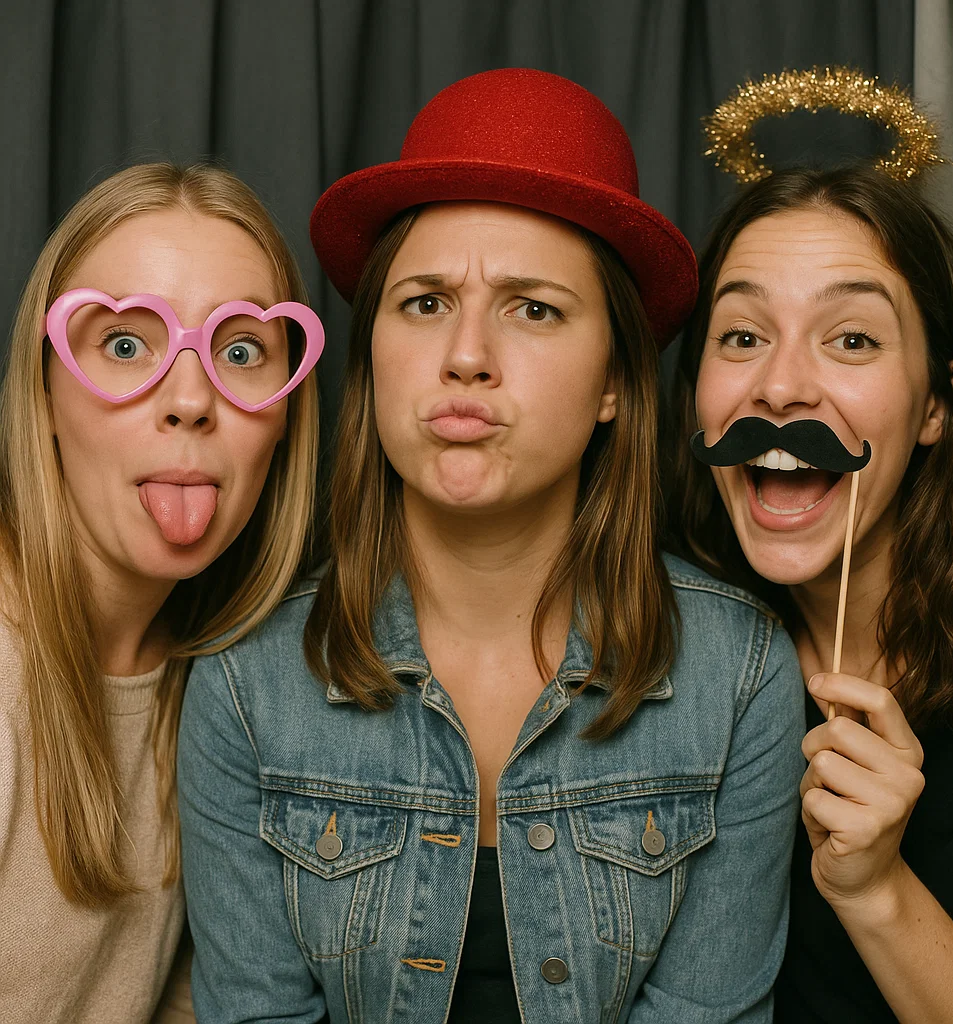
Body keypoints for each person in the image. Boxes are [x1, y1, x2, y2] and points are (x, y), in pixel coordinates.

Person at [178, 68, 806, 1023]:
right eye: (425, 302)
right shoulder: (242, 682)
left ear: (614, 384)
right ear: (374, 353)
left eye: (534, 308)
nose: (466, 353)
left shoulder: (744, 675)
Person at [670, 164, 953, 1021]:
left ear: (937, 402)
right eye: (743, 337)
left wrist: (875, 891)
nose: (782, 386)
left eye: (853, 340)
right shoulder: (657, 639)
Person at [0, 162, 322, 1023]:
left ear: (290, 418)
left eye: (242, 351)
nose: (189, 400)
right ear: (46, 384)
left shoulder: (228, 684)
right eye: (124, 344)